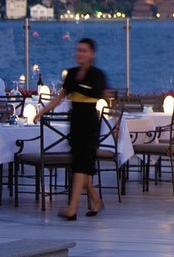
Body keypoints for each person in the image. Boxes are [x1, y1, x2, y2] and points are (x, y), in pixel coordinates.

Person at [36, 37, 111, 220]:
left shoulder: (97, 75)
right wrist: (41, 112)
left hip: (90, 123)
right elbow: (59, 97)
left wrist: (114, 122)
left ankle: (72, 208)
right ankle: (96, 200)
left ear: (92, 53)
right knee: (82, 166)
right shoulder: (71, 73)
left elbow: (106, 98)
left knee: (80, 166)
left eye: (84, 51)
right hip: (75, 122)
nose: (80, 54)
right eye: (78, 50)